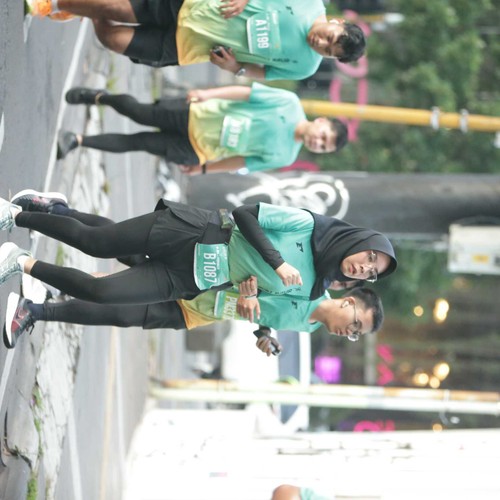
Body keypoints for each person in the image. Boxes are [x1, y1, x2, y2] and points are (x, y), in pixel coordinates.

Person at [0, 190, 396, 319]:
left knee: (101, 294)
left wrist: (250, 295)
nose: (364, 267)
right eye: (370, 257)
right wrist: (277, 261)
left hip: (194, 279)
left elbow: (253, 288)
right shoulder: (310, 225)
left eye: (371, 272)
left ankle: (20, 261)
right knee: (97, 243)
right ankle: (16, 215)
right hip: (192, 234)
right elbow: (244, 214)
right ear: (361, 240)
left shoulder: (312, 291)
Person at [25, 0, 365, 79]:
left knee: (113, 39)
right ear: (336, 22)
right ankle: (51, 4)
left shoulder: (305, 66)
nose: (320, 44)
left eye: (328, 51)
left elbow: (262, 73)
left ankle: (80, 7)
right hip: (196, 5)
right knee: (117, 7)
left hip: (192, 47)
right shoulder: (309, 2)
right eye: (329, 37)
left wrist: (235, 68)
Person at [57, 84, 348, 175]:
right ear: (321, 121)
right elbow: (246, 93)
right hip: (197, 114)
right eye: (323, 136)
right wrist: (208, 94)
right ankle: (99, 97)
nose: (318, 142)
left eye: (323, 146)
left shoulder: (286, 156)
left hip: (198, 149)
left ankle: (77, 141)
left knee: (140, 142)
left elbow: (240, 161)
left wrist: (205, 168)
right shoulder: (289, 103)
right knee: (139, 113)